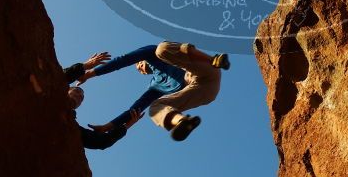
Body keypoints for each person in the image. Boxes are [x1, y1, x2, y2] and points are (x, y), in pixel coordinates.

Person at [80, 42, 229, 141]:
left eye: (138, 64)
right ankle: (182, 122)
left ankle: (214, 59)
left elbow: (122, 61)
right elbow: (135, 109)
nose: (139, 67)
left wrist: (90, 73)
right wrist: (109, 126)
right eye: (138, 68)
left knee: (161, 49)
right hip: (204, 91)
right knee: (155, 108)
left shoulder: (151, 54)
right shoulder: (156, 86)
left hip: (205, 70)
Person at [63, 52, 142, 149]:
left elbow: (102, 142)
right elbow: (59, 77)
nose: (80, 96)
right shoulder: (51, 92)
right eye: (76, 91)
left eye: (82, 98)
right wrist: (86, 66)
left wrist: (128, 124)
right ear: (66, 90)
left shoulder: (69, 125)